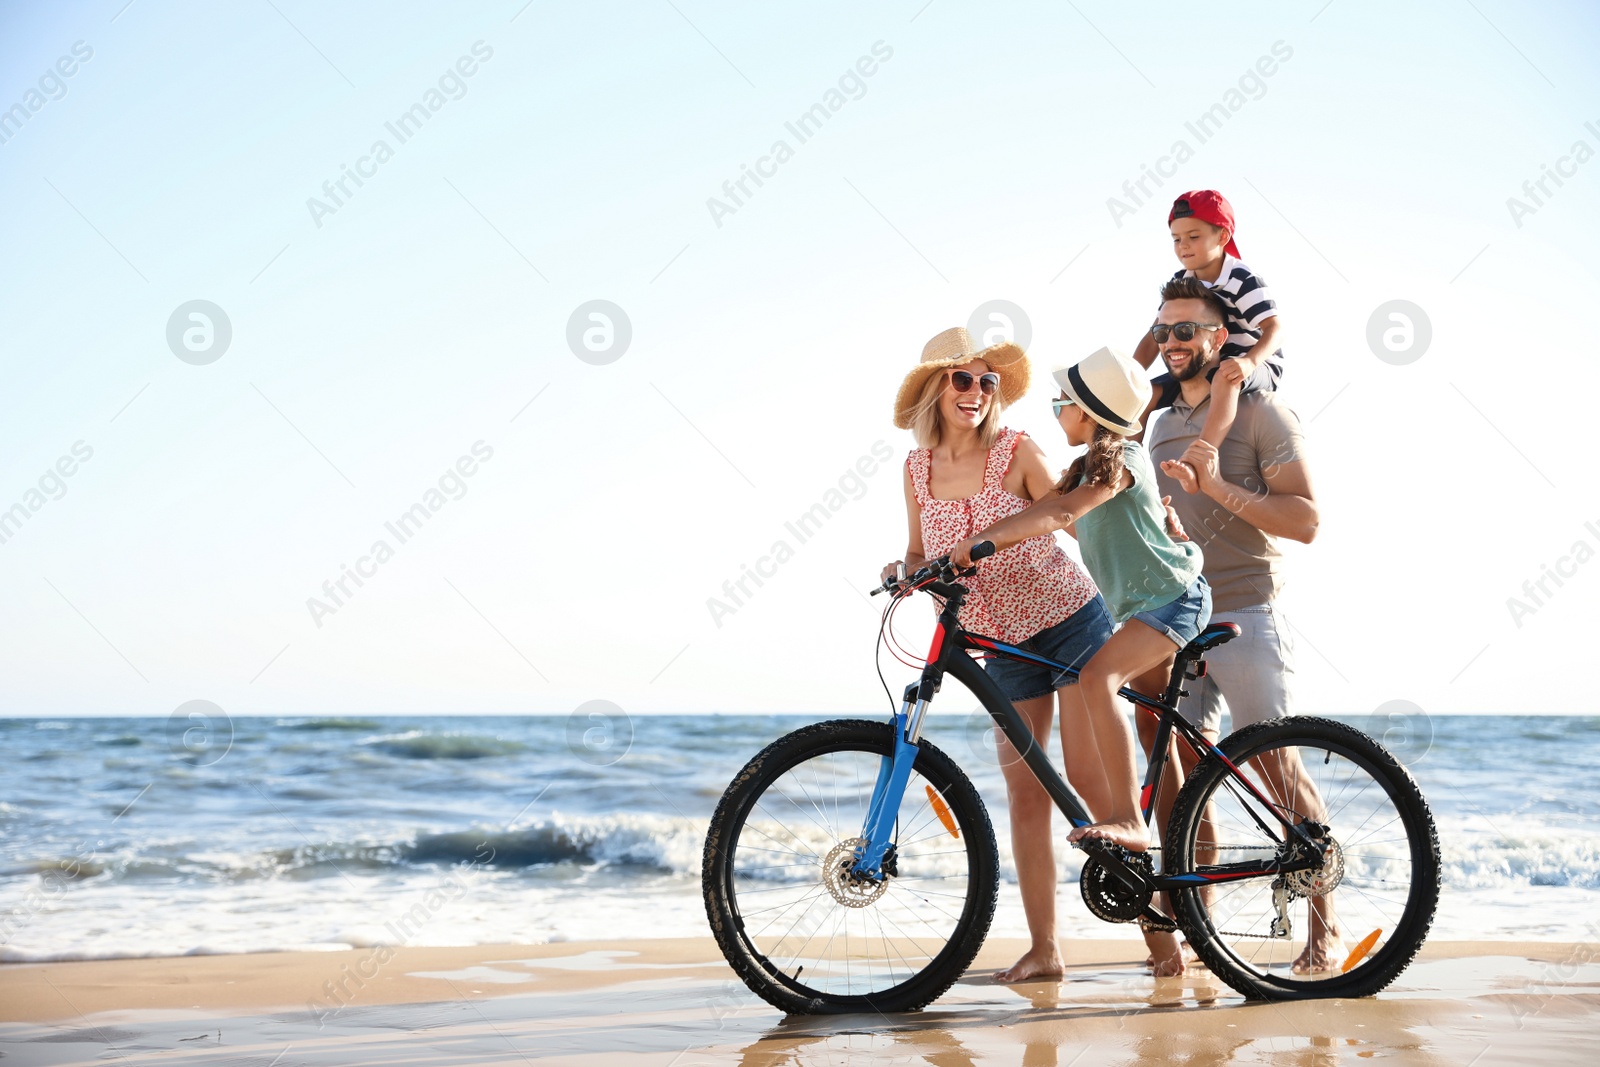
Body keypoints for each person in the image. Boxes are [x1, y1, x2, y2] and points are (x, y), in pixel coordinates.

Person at [950, 344, 1210, 977]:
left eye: (1062, 402)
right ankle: (1160, 914)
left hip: (1174, 602)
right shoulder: (1088, 462)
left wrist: (979, 541)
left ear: (1090, 412)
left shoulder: (1118, 458)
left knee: (1098, 676)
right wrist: (969, 549)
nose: (1056, 411)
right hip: (1144, 610)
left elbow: (1064, 512)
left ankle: (1127, 821)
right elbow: (1045, 511)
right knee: (1149, 737)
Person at [882, 326, 1119, 984]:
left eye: (987, 382)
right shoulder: (915, 468)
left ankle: (1163, 940)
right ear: (936, 387)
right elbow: (915, 548)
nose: (978, 392)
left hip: (1069, 619)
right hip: (999, 643)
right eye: (963, 379)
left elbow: (1074, 512)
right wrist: (903, 570)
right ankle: (1047, 950)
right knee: (1024, 796)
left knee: (1090, 781)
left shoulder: (1016, 449)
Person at [1144, 274, 1340, 973]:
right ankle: (1202, 924)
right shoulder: (1160, 424)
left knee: (1274, 762)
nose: (1171, 343)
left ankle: (1324, 928)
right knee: (1186, 772)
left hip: (1248, 609)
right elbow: (1166, 525)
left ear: (1219, 336)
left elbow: (1306, 521)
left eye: (1186, 329)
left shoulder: (1263, 415)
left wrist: (1218, 487)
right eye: (1164, 330)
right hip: (1180, 616)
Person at [1130, 190, 1285, 487]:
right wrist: (1131, 375)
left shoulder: (1242, 279)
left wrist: (1250, 362)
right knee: (1146, 394)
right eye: (1177, 239)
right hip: (1202, 361)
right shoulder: (1181, 280)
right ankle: (1127, 469)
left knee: (1223, 378)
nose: (1183, 246)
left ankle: (1199, 460)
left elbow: (1275, 328)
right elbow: (1154, 337)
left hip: (1253, 363)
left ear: (1223, 237)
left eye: (1194, 236)